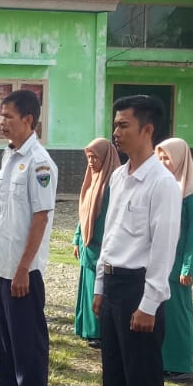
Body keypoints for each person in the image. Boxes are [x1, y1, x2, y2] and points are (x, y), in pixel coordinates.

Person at [83, 95, 182, 386]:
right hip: (115, 283)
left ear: (147, 130)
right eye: (116, 124)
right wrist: (100, 286)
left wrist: (150, 302)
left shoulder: (162, 184)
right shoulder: (121, 176)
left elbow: (163, 247)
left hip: (141, 288)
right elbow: (111, 236)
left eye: (125, 125)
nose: (117, 132)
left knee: (142, 381)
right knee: (115, 378)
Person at [0, 89, 57, 386]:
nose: (2, 123)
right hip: (5, 266)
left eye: (8, 117)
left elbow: (40, 218)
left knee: (28, 340)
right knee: (4, 337)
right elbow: (5, 215)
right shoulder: (9, 157)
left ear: (28, 119)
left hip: (25, 269)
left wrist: (24, 266)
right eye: (1, 116)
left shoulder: (40, 162)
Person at [154, 137, 193, 385]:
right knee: (162, 314)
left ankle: (182, 366)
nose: (164, 162)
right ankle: (165, 362)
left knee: (179, 316)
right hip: (161, 261)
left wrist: (188, 267)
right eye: (161, 157)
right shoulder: (167, 186)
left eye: (168, 157)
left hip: (178, 267)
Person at [73, 138, 115, 344]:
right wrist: (77, 238)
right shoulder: (92, 179)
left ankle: (98, 332)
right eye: (89, 157)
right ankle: (86, 328)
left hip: (101, 246)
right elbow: (84, 212)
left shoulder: (111, 183)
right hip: (87, 245)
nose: (91, 161)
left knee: (99, 289)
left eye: (95, 157)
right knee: (87, 287)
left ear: (106, 158)